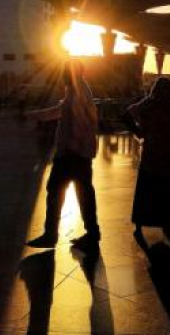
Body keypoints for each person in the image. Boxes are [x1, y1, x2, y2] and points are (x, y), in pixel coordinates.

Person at [27, 62, 100, 252]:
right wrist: (33, 115)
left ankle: (52, 235)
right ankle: (91, 233)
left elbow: (82, 123)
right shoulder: (76, 91)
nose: (63, 76)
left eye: (65, 72)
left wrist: (71, 149)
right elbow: (58, 111)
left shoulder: (78, 93)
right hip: (76, 154)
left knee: (58, 190)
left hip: (72, 155)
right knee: (82, 193)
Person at [125, 78, 170, 241]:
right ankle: (166, 223)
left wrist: (139, 132)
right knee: (168, 189)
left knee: (146, 188)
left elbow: (126, 114)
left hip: (151, 154)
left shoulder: (147, 104)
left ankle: (140, 222)